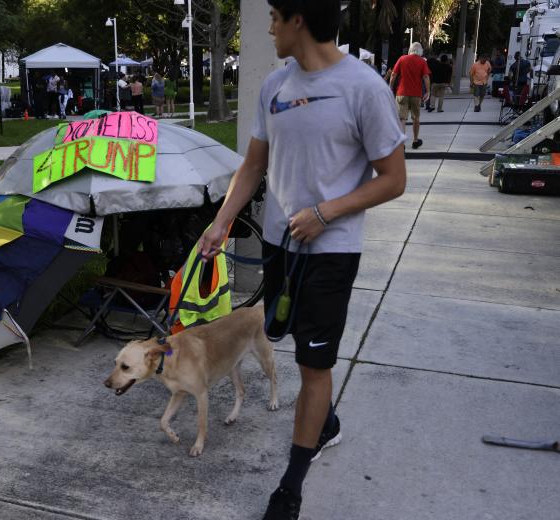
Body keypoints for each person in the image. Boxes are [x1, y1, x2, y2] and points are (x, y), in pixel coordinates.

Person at [197, 1, 406, 518]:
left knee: (316, 364)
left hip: (330, 251)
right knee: (286, 336)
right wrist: (221, 221)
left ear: (299, 20)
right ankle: (326, 422)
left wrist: (326, 212)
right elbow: (254, 164)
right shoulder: (276, 86)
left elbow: (394, 179)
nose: (268, 27)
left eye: (274, 16)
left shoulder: (363, 87)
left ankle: (290, 488)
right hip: (278, 245)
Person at [390, 41, 430, 149]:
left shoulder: (402, 59)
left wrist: (390, 87)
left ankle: (401, 144)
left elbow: (393, 74)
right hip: (416, 94)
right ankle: (415, 140)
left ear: (410, 50)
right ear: (420, 51)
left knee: (402, 119)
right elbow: (426, 77)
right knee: (416, 118)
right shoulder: (422, 61)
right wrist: (428, 91)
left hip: (402, 93)